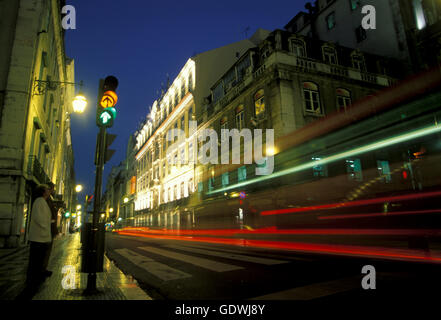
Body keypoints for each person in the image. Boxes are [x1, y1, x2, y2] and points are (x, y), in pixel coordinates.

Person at [16, 184, 53, 300]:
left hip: (42, 237)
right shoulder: (39, 202)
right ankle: (31, 283)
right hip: (39, 237)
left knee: (38, 260)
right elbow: (39, 218)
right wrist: (46, 225)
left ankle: (34, 281)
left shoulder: (43, 201)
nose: (49, 191)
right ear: (43, 192)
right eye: (47, 189)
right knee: (35, 261)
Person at [42, 182, 58, 277]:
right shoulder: (45, 200)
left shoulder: (49, 199)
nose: (52, 190)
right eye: (51, 189)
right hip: (47, 229)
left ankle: (44, 268)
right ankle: (42, 269)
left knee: (47, 250)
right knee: (45, 250)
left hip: (50, 229)